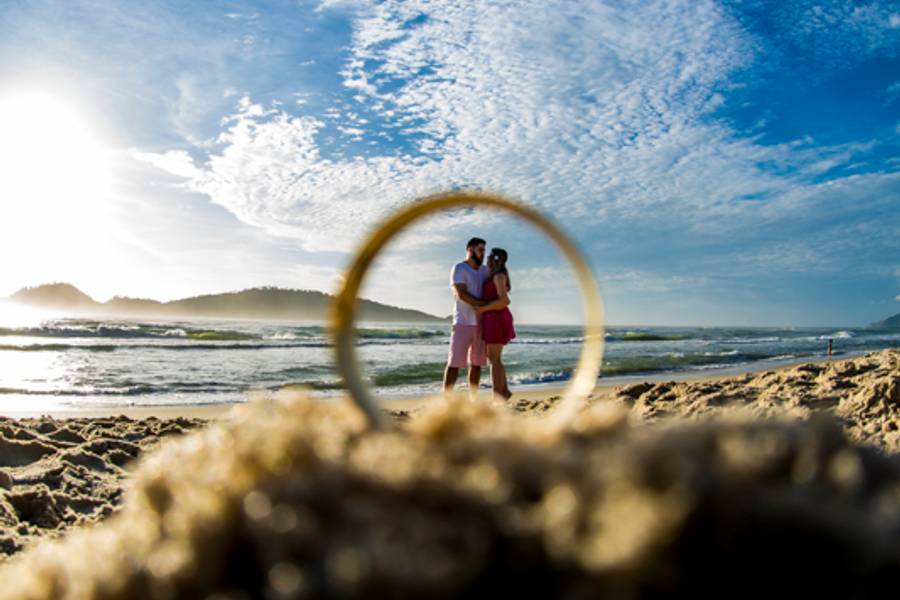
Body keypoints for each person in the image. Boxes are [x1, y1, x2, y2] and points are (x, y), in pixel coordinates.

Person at [443, 237, 490, 396]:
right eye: (480, 250)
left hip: (481, 323)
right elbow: (461, 294)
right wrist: (484, 304)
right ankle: (447, 400)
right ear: (470, 249)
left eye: (484, 250)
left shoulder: (485, 271)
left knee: (476, 364)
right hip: (462, 322)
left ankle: (473, 399)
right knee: (454, 364)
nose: (483, 253)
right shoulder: (459, 268)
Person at [475, 247, 516, 399]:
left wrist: (483, 309)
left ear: (495, 259)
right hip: (492, 318)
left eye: (490, 256)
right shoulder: (496, 275)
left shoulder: (498, 276)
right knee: (495, 358)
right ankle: (504, 392)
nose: (487, 258)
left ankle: (498, 397)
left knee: (494, 360)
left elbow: (505, 300)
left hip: (496, 318)